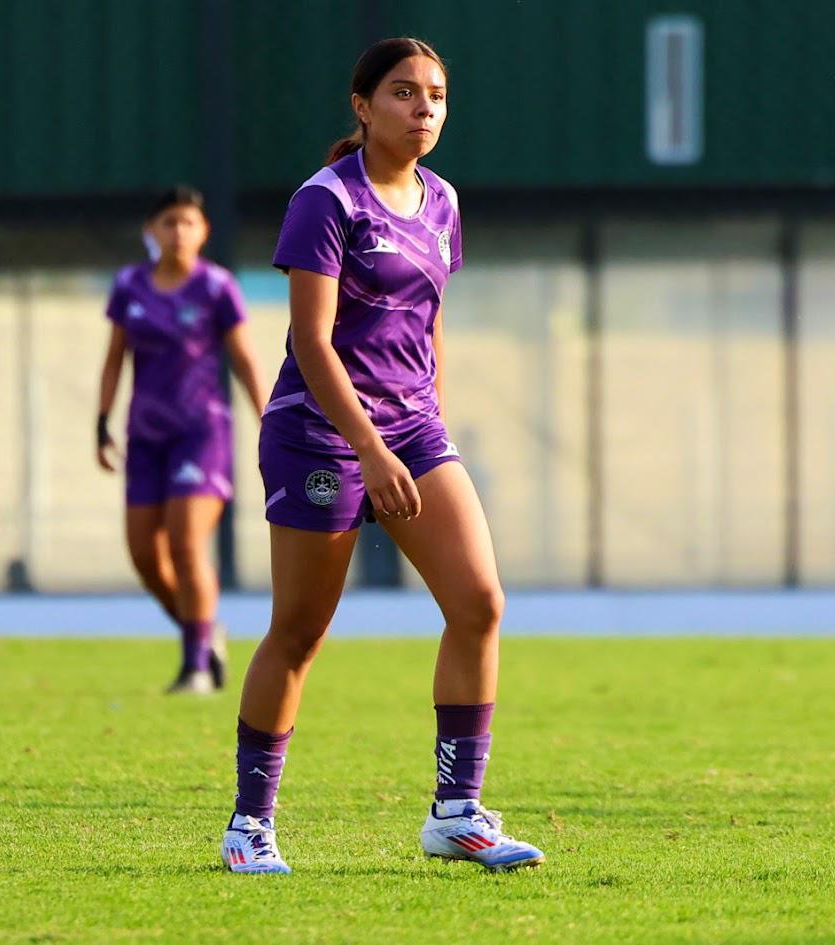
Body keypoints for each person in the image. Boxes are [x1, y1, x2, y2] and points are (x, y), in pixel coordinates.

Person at [219, 37, 544, 873]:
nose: (423, 109)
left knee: (480, 602)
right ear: (362, 107)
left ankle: (456, 812)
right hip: (321, 432)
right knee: (298, 631)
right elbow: (314, 343)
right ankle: (249, 827)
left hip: (413, 430)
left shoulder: (442, 201)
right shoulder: (326, 201)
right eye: (403, 93)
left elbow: (429, 319)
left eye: (436, 95)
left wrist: (424, 420)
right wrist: (369, 448)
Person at [96, 187, 268, 694]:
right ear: (151, 232)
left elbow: (245, 360)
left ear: (204, 231)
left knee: (186, 542)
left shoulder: (216, 287)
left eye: (189, 223)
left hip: (202, 431)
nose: (179, 232)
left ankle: (196, 668)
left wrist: (269, 421)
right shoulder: (129, 286)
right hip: (145, 434)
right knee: (145, 556)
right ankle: (205, 630)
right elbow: (114, 359)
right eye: (168, 223)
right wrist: (100, 421)